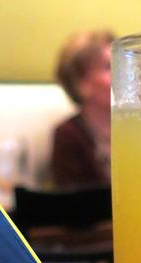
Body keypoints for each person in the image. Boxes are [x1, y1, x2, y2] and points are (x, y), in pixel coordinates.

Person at [51, 30, 114, 188]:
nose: (122, 74)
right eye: (109, 67)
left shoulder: (136, 129)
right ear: (81, 82)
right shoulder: (67, 135)